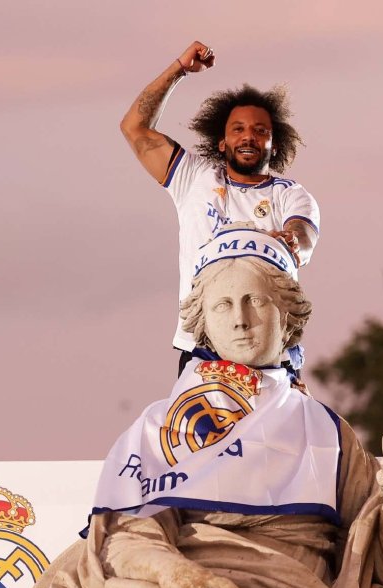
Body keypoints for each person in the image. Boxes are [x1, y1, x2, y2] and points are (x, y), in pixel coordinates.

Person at [46, 229, 383, 588]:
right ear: (203, 322)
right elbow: (126, 533)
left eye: (255, 301)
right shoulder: (161, 424)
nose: (240, 320)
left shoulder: (325, 430)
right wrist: (173, 572)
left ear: (287, 316)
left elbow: (373, 539)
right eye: (223, 305)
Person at [120, 41, 320, 365]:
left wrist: (292, 241)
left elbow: (303, 234)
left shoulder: (289, 194)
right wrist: (179, 70)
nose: (248, 136)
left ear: (274, 144)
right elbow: (134, 127)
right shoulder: (193, 177)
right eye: (238, 129)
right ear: (222, 142)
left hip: (268, 352)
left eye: (260, 130)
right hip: (202, 349)